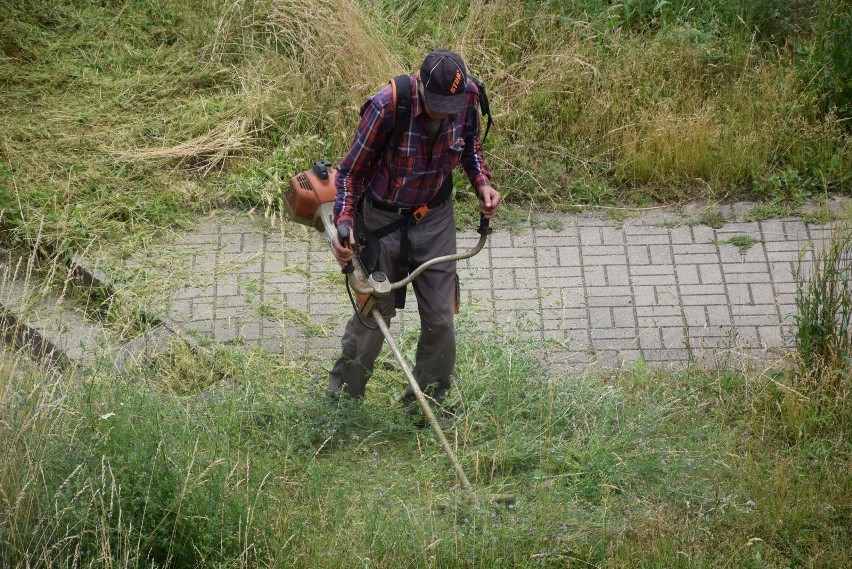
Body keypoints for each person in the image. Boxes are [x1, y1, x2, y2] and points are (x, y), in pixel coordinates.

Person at [327, 48, 501, 409]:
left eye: (450, 105)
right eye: (437, 103)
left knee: (441, 319)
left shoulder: (466, 96)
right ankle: (341, 406)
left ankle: (426, 406)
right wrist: (343, 224)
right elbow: (348, 175)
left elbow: (470, 147)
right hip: (380, 222)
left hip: (434, 217)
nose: (444, 111)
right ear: (421, 84)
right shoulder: (386, 107)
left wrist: (481, 182)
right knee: (373, 319)